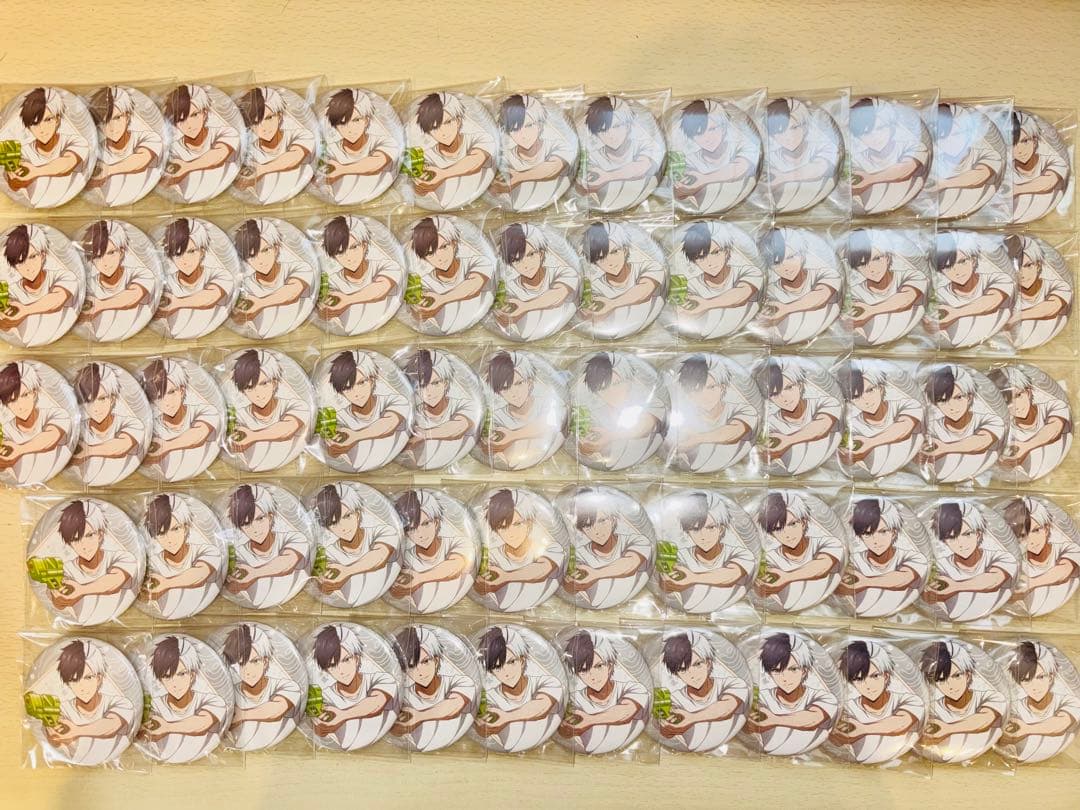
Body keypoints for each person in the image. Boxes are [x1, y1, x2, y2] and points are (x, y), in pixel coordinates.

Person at [656, 491, 754, 614]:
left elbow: (731, 574)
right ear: (688, 532)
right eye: (695, 529)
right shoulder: (680, 556)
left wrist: (693, 578)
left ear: (721, 529)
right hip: (686, 617)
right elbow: (664, 581)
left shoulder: (741, 553)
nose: (703, 536)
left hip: (733, 614)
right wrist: (667, 582)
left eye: (711, 527)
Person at [829, 640, 922, 764]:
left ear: (886, 676)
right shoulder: (847, 707)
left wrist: (864, 729)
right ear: (852, 682)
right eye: (859, 679)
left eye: (875, 676)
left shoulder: (909, 699)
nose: (869, 685)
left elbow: (902, 722)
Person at [745, 632, 837, 756]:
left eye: (793, 669)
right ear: (769, 673)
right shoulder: (762, 697)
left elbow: (814, 718)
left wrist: (774, 720)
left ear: (804, 671)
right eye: (777, 670)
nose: (785, 678)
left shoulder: (824, 697)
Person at [139, 636, 228, 763]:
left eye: (181, 674)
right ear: (160, 680)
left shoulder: (211, 700)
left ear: (192, 675)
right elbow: (143, 734)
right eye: (167, 676)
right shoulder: (155, 705)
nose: (175, 683)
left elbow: (204, 722)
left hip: (203, 765)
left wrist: (168, 727)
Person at [925, 501, 1018, 622]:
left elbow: (994, 580)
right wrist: (929, 595)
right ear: (944, 542)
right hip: (953, 625)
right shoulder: (940, 565)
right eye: (951, 537)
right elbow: (928, 594)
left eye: (967, 534)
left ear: (978, 534)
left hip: (1000, 621)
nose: (961, 544)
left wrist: (956, 586)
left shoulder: (1002, 557)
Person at [45, 640, 134, 765]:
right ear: (68, 683)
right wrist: (54, 737)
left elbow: (111, 725)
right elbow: (55, 740)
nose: (82, 687)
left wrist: (77, 731)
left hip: (121, 763)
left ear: (99, 679)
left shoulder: (120, 703)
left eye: (88, 677)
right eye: (74, 680)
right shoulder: (62, 709)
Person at [656, 631, 748, 752]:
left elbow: (727, 707)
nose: (692, 674)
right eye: (682, 669)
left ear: (708, 663)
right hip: (688, 759)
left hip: (734, 752)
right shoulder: (674, 698)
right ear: (676, 674)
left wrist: (692, 718)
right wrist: (666, 726)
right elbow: (664, 729)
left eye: (697, 664)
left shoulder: (733, 684)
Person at [474, 626, 562, 752]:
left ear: (522, 660)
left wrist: (507, 717)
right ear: (491, 671)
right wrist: (481, 727)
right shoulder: (489, 697)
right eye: (497, 667)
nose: (507, 672)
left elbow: (542, 705)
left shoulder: (548, 682)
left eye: (511, 662)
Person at [668, 221, 762, 339]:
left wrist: (706, 304)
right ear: (694, 261)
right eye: (700, 257)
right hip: (704, 341)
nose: (710, 263)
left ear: (727, 251)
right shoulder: (690, 285)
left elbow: (742, 294)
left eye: (716, 252)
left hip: (744, 338)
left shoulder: (749, 271)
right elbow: (680, 318)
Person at [473, 489, 563, 612]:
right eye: (503, 527)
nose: (511, 533)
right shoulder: (491, 556)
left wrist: (506, 577)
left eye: (517, 524)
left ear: (530, 523)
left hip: (543, 612)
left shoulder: (551, 548)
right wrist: (479, 584)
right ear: (496, 530)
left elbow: (543, 568)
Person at [559, 630, 647, 754]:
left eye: (599, 666)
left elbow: (626, 711)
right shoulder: (573, 699)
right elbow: (563, 730)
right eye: (584, 670)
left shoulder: (633, 688)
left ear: (610, 666)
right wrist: (564, 729)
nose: (593, 676)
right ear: (577, 674)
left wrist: (590, 720)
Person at [310, 624, 397, 750]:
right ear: (326, 669)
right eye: (332, 665)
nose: (341, 670)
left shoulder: (382, 679)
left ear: (357, 658)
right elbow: (316, 724)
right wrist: (320, 726)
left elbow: (376, 703)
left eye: (346, 660)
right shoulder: (325, 695)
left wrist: (343, 715)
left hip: (382, 750)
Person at [311, 484, 398, 607]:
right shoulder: (329, 552)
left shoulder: (383, 531)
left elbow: (380, 555)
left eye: (347, 516)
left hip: (382, 604)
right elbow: (323, 585)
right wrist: (324, 585)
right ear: (327, 527)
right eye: (334, 522)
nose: (343, 527)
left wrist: (347, 571)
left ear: (357, 514)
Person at [666, 354, 757, 473]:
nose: (705, 396)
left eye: (711, 387)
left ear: (722, 388)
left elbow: (735, 431)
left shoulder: (744, 410)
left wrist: (697, 439)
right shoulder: (682, 419)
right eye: (697, 390)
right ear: (688, 394)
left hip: (738, 474)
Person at [839, 498, 928, 618]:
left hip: (902, 619)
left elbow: (904, 578)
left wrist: (866, 582)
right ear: (860, 536)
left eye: (883, 531)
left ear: (894, 533)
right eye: (867, 533)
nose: (876, 541)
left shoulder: (913, 557)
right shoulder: (854, 560)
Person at [919, 640, 1005, 763]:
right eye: (941, 680)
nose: (951, 685)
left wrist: (948, 729)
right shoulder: (932, 708)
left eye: (957, 675)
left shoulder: (991, 697)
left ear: (968, 675)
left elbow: (986, 718)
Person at [575, 352, 666, 470]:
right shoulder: (595, 413)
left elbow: (644, 425)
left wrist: (612, 436)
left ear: (629, 381)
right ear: (596, 392)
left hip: (648, 467)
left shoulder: (649, 401)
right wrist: (586, 449)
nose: (613, 392)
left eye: (617, 383)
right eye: (603, 388)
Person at [224, 485, 309, 609]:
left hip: (298, 604)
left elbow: (288, 561)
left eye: (260, 518)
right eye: (246, 523)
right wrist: (232, 584)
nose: (255, 529)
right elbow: (230, 588)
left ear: (270, 516)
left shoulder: (294, 538)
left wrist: (255, 573)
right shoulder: (238, 553)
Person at [321, 350, 408, 471]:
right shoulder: (338, 417)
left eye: (361, 382)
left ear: (372, 380)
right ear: (341, 391)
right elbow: (328, 446)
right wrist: (334, 447)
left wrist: (356, 436)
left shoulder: (395, 400)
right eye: (347, 388)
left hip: (394, 466)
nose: (356, 393)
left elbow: (389, 423)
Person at [756, 491, 844, 612]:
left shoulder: (828, 543)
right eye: (778, 529)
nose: (787, 534)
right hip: (785, 616)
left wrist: (787, 577)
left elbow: (823, 565)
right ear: (771, 533)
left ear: (803, 522)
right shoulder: (769, 558)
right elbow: (760, 590)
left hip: (827, 610)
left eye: (792, 524)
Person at [4, 87, 91, 208]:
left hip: (74, 205)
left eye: (48, 120)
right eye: (34, 123)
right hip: (35, 209)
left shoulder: (75, 141)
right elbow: (13, 185)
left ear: (58, 120)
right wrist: (14, 174)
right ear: (28, 126)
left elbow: (67, 163)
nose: (42, 129)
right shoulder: (22, 150)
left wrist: (36, 171)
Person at [392, 626, 477, 751]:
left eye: (425, 661)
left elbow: (455, 704)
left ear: (436, 661)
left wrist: (420, 716)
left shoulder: (461, 682)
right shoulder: (403, 695)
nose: (420, 672)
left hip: (458, 751)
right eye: (411, 666)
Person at [564, 490, 651, 609]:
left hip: (636, 607)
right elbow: (569, 587)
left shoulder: (636, 541)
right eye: (588, 526)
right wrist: (571, 584)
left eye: (602, 521)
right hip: (595, 615)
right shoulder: (579, 555)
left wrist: (596, 574)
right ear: (581, 529)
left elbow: (630, 563)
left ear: (613, 519)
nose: (597, 531)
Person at [408, 92, 496, 209]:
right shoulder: (426, 156)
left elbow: (476, 159)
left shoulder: (480, 138)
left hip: (481, 202)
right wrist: (422, 187)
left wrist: (444, 174)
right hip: (444, 209)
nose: (443, 132)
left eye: (448, 122)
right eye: (434, 127)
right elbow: (419, 191)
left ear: (458, 121)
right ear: (428, 132)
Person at [220, 624, 302, 751]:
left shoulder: (286, 686)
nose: (248, 670)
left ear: (265, 661)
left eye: (255, 661)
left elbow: (277, 709)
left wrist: (242, 715)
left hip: (284, 752)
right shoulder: (230, 694)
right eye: (241, 663)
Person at [670, 98, 759, 213]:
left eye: (712, 129)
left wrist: (705, 179)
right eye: (699, 133)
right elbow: (679, 190)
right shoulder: (689, 160)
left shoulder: (740, 146)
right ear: (691, 137)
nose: (707, 139)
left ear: (723, 127)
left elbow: (741, 167)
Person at [142, 494, 223, 620]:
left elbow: (201, 573)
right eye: (161, 533)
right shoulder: (152, 562)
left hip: (203, 617)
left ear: (185, 528)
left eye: (175, 529)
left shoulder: (206, 550)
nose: (170, 539)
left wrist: (167, 583)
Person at [226, 349, 308, 472]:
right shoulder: (238, 415)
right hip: (251, 473)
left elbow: (288, 428)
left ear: (274, 383)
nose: (258, 394)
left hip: (290, 469)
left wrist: (254, 436)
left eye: (264, 383)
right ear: (243, 391)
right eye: (249, 387)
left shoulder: (296, 405)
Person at [231, 218, 315, 338]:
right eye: (252, 255)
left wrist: (261, 303)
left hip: (301, 335)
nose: (261, 260)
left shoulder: (299, 267)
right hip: (263, 341)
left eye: (265, 250)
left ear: (276, 249)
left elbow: (293, 291)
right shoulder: (245, 285)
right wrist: (238, 316)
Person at [390, 491, 472, 613]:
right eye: (412, 529)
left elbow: (456, 565)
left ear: (436, 523)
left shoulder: (458, 543)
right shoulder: (405, 558)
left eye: (426, 524)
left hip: (460, 610)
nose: (421, 534)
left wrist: (420, 578)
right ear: (405, 533)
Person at [407, 216, 493, 333]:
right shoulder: (424, 282)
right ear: (424, 257)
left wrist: (442, 299)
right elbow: (416, 315)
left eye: (444, 247)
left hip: (482, 330)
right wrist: (418, 311)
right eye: (430, 253)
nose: (440, 257)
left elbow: (474, 284)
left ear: (454, 244)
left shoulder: (478, 262)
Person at [0, 224, 81, 348]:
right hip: (29, 349)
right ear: (14, 265)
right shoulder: (11, 290)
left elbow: (57, 299)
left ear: (42, 256)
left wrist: (26, 310)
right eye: (20, 261)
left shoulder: (64, 277)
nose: (28, 267)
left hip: (67, 343)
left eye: (32, 257)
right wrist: (6, 321)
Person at [920, 364, 1005, 482]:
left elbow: (982, 441)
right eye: (943, 400)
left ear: (969, 397)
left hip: (984, 481)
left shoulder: (990, 420)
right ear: (935, 403)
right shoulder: (931, 427)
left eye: (958, 397)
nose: (952, 407)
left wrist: (946, 448)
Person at [155, 218, 236, 340]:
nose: (185, 260)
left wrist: (178, 303)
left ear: (202, 251)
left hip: (214, 339)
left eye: (191, 251)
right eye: (178, 254)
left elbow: (211, 296)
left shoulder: (220, 275)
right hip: (176, 342)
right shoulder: (167, 283)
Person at [836, 362, 923, 478]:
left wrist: (871, 442)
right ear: (850, 401)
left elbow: (905, 426)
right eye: (856, 396)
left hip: (912, 474)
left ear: (881, 389)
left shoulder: (907, 404)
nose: (866, 400)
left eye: (870, 390)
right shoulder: (853, 425)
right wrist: (849, 458)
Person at [492, 223, 577, 340]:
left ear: (541, 254)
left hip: (565, 336)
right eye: (516, 259)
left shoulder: (563, 272)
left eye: (531, 254)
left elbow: (559, 294)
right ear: (510, 263)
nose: (526, 264)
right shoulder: (509, 288)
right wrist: (503, 317)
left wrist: (525, 307)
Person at [490, 94, 574, 211]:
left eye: (529, 125)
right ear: (508, 132)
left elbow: (555, 166)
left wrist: (520, 177)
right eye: (515, 129)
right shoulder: (505, 157)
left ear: (540, 125)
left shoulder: (557, 145)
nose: (523, 135)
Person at [318, 215, 401, 335]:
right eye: (340, 252)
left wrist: (348, 300)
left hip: (388, 331)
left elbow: (381, 287)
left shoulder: (387, 266)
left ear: (364, 246)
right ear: (333, 256)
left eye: (354, 247)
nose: (349, 257)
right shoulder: (331, 281)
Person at [580, 221, 664, 338]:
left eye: (615, 252)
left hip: (653, 334)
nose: (610, 262)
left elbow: (645, 289)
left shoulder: (650, 266)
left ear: (625, 250)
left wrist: (612, 304)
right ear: (594, 261)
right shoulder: (595, 286)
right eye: (601, 257)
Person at [140, 358, 219, 481]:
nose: (167, 402)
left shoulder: (204, 411)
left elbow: (200, 433)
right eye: (158, 397)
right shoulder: (153, 426)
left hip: (205, 477)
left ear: (182, 390)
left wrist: (167, 446)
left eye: (171, 392)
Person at [576, 95, 661, 210]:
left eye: (617, 126)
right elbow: (580, 186)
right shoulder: (593, 156)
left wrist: (608, 176)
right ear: (596, 134)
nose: (611, 135)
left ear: (629, 125)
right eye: (602, 130)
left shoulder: (642, 144)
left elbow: (643, 166)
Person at [758, 358, 841, 475]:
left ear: (800, 386)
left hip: (829, 470)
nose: (784, 398)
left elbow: (822, 426)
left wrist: (788, 440)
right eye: (775, 394)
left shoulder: (826, 403)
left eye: (789, 387)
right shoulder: (770, 423)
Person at [844, 229, 927, 346]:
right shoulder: (854, 291)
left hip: (910, 343)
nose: (872, 269)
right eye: (862, 264)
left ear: (888, 257)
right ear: (856, 268)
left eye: (877, 258)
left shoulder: (912, 275)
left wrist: (871, 310)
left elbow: (907, 298)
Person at [758, 228, 841, 344]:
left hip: (827, 342)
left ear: (802, 255)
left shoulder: (826, 274)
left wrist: (787, 309)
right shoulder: (770, 291)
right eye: (776, 262)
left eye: (791, 257)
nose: (786, 267)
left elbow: (821, 295)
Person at [930, 232, 1013, 347]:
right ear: (941, 271)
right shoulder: (940, 295)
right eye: (948, 266)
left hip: (997, 346)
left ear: (973, 260)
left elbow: (993, 300)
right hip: (959, 351)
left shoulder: (997, 278)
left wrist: (957, 313)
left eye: (962, 261)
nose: (957, 271)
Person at [479, 351, 561, 469]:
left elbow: (550, 424)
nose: (514, 393)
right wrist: (490, 445)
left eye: (519, 383)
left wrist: (513, 435)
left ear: (530, 383)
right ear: (498, 392)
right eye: (505, 388)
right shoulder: (496, 417)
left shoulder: (547, 402)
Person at [1001, 641, 1080, 762]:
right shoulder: (1014, 707)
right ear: (1019, 683)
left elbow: (1062, 722)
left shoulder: (1069, 700)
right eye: (1026, 680)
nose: (1035, 686)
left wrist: (1027, 729)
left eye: (1041, 677)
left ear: (1051, 677)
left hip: (1058, 765)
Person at [989, 365, 1072, 481]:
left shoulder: (1053, 405)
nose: (1016, 406)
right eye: (1007, 401)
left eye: (1018, 395)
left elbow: (1055, 427)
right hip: (1038, 481)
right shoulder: (1004, 429)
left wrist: (1026, 446)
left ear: (1028, 392)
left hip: (1067, 472)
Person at [235, 86, 316, 204]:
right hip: (264, 202)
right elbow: (240, 185)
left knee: (306, 169)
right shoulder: (249, 151)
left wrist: (262, 170)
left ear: (280, 116)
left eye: (269, 118)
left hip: (300, 197)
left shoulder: (300, 134)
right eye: (256, 122)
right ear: (250, 125)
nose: (264, 127)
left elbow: (296, 156)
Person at [78, 219, 155, 342]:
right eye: (98, 256)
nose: (105, 262)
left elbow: (133, 296)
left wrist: (101, 305)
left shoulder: (141, 274)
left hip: (139, 340)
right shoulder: (88, 284)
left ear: (122, 252)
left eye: (111, 253)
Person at [849, 97, 930, 214]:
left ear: (892, 127)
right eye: (866, 133)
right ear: (858, 136)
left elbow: (906, 169)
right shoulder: (857, 159)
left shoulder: (913, 146)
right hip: (871, 215)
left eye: (881, 128)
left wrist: (871, 179)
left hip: (912, 210)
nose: (875, 137)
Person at [161, 84, 240, 203]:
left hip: (227, 199)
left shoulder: (225, 132)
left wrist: (187, 167)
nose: (189, 125)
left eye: (194, 115)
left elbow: (219, 154)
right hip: (188, 205)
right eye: (181, 119)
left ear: (205, 113)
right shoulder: (173, 149)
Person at [318, 88, 399, 205]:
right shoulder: (330, 150)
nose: (350, 129)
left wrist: (343, 170)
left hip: (381, 200)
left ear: (366, 121)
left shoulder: (384, 141)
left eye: (356, 120)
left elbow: (378, 161)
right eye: (342, 123)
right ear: (335, 126)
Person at [399, 349, 478, 469]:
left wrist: (424, 434)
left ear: (445, 383)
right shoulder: (413, 414)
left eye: (436, 383)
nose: (429, 392)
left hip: (462, 468)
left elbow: (459, 426)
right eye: (422, 385)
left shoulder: (465, 405)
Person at [85, 85, 162, 206]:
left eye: (117, 118)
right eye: (105, 121)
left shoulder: (147, 138)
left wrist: (109, 170)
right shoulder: (96, 151)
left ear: (128, 116)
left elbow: (142, 158)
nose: (112, 127)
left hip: (146, 203)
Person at [1003, 497, 1080, 617]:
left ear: (1047, 528)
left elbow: (1064, 570)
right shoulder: (1015, 561)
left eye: (1036, 530)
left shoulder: (1067, 547)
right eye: (1023, 535)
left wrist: (1031, 583)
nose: (1031, 540)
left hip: (1065, 613)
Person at [72, 362, 145, 486]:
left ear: (112, 399)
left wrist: (89, 451)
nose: (95, 408)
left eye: (102, 398)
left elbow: (122, 445)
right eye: (88, 401)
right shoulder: (78, 429)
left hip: (125, 485)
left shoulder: (131, 423)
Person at [0, 361, 71, 485]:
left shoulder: (56, 414)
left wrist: (20, 449)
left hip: (63, 481)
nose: (20, 406)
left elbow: (51, 437)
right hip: (24, 489)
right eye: (12, 400)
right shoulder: (5, 430)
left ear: (34, 393)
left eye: (25, 395)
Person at [765, 97, 840, 212]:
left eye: (794, 128)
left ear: (805, 126)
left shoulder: (822, 146)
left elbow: (820, 167)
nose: (788, 137)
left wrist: (783, 177)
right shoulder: (770, 157)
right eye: (779, 131)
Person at [933, 102, 1006, 219]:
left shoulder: (987, 154)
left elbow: (981, 175)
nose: (950, 141)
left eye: (957, 134)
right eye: (943, 136)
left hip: (982, 216)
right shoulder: (934, 162)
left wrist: (944, 184)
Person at [1005, 234, 1073, 349]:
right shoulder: (1010, 295)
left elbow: (1053, 306)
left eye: (1028, 265)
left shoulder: (1057, 285)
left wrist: (1016, 317)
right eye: (1016, 268)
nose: (1022, 274)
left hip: (1055, 347)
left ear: (1038, 265)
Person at [1011, 110, 1070, 223]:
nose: (1019, 150)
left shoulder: (1053, 160)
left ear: (1034, 141)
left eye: (1025, 141)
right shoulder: (1007, 171)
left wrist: (1017, 189)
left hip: (1051, 220)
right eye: (1012, 145)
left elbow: (1049, 181)